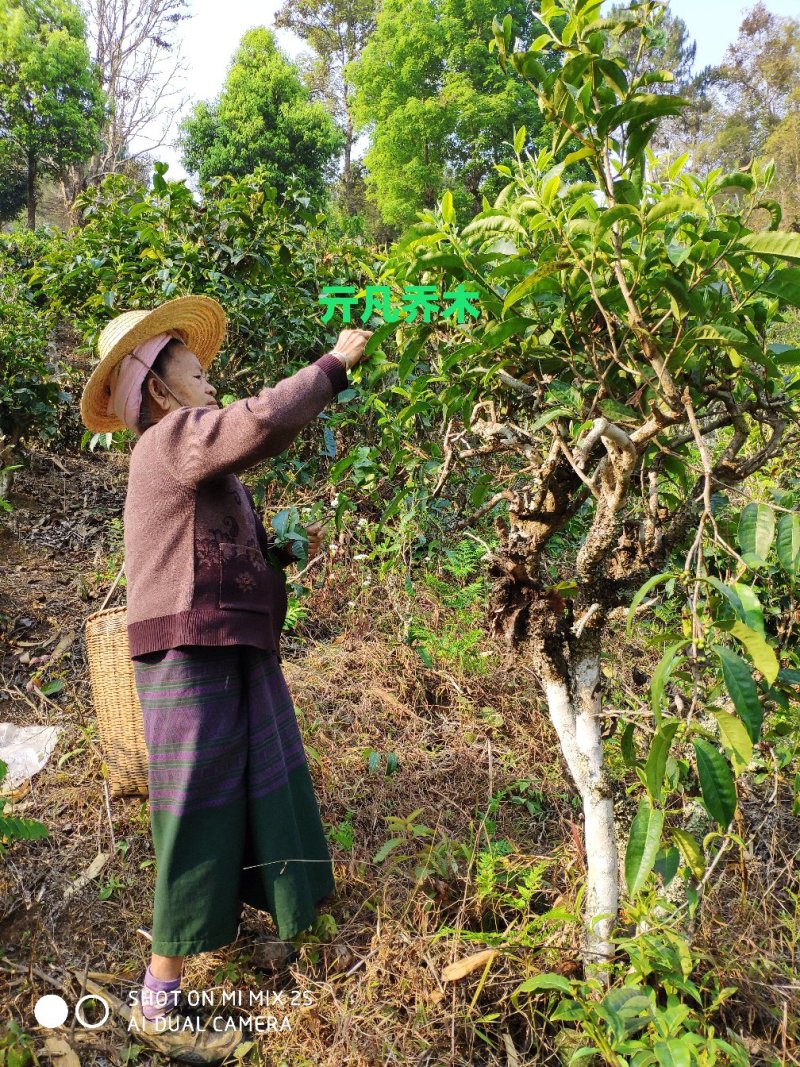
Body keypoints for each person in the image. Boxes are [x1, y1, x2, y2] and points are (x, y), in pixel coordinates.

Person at [80, 295, 372, 1063]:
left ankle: (283, 921)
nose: (211, 385)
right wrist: (332, 367)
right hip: (189, 649)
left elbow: (210, 540)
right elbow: (261, 420)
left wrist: (272, 550)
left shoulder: (187, 450)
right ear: (159, 390)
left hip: (228, 642)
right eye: (197, 373)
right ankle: (159, 996)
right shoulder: (168, 440)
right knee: (197, 807)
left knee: (262, 783)